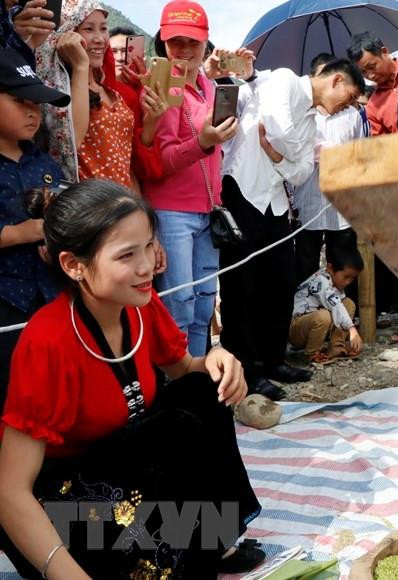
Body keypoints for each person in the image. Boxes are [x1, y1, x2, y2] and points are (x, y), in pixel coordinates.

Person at [0, 180, 266, 578]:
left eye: (148, 246)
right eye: (127, 254)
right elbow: (9, 491)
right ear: (73, 265)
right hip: (63, 507)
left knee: (203, 390)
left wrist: (218, 359)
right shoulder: (47, 342)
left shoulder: (139, 303)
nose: (147, 266)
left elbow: (184, 369)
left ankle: (211, 540)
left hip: (119, 470)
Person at [219, 55, 362, 397]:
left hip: (278, 203)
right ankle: (247, 369)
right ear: (336, 81)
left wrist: (281, 158)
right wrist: (292, 155)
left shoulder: (312, 119)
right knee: (242, 287)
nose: (348, 105)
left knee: (280, 282)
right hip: (244, 191)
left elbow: (301, 172)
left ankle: (274, 359)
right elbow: (278, 130)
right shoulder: (283, 79)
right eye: (350, 97)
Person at [142, 0, 238, 357]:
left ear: (205, 43)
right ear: (162, 43)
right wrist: (204, 142)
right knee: (179, 305)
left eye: (192, 42)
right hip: (172, 213)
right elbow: (161, 160)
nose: (183, 50)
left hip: (207, 210)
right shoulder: (160, 86)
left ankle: (198, 378)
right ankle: (178, 382)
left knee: (203, 303)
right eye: (175, 42)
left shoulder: (208, 87)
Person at [0, 46, 68, 411]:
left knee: (49, 386)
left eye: (36, 104)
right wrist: (21, 233)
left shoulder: (46, 165)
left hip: (49, 297)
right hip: (6, 303)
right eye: (19, 101)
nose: (32, 112)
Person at [348, 31, 398, 344]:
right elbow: (378, 145)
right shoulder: (374, 103)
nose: (370, 75)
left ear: (384, 51)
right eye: (363, 72)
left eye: (372, 66)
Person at [35, 0, 140, 188]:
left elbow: (126, 164)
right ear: (67, 34)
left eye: (104, 28)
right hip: (89, 203)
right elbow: (71, 142)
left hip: (123, 200)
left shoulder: (110, 92)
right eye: (89, 29)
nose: (100, 39)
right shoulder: (57, 91)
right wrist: (80, 66)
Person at [293, 54, 364, 284]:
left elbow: (360, 154)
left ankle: (342, 306)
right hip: (307, 205)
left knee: (344, 266)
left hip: (341, 209)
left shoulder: (352, 116)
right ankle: (306, 307)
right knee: (306, 267)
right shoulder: (302, 113)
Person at [290, 242, 364, 363]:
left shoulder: (335, 283)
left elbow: (339, 306)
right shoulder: (321, 281)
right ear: (330, 268)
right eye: (346, 277)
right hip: (297, 328)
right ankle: (312, 353)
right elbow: (335, 304)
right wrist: (352, 329)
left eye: (352, 278)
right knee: (323, 316)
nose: (348, 282)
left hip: (316, 326)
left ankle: (336, 346)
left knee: (348, 304)